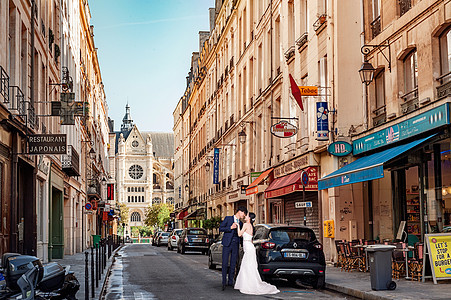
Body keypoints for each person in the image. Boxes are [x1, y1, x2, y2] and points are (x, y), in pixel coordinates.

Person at [234, 212, 279, 295]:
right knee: (250, 266)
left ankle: (247, 284)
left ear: (249, 218)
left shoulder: (245, 225)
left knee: (247, 265)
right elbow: (250, 239)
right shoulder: (251, 226)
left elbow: (239, 234)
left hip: (248, 247)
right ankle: (248, 283)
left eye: (247, 215)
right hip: (250, 247)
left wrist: (238, 226)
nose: (245, 216)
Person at [219, 206, 247, 290]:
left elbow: (240, 235)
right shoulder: (228, 218)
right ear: (239, 211)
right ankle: (224, 282)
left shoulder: (241, 223)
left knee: (233, 263)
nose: (244, 215)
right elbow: (221, 228)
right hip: (227, 243)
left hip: (236, 244)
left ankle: (230, 282)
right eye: (243, 213)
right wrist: (230, 228)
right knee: (224, 263)